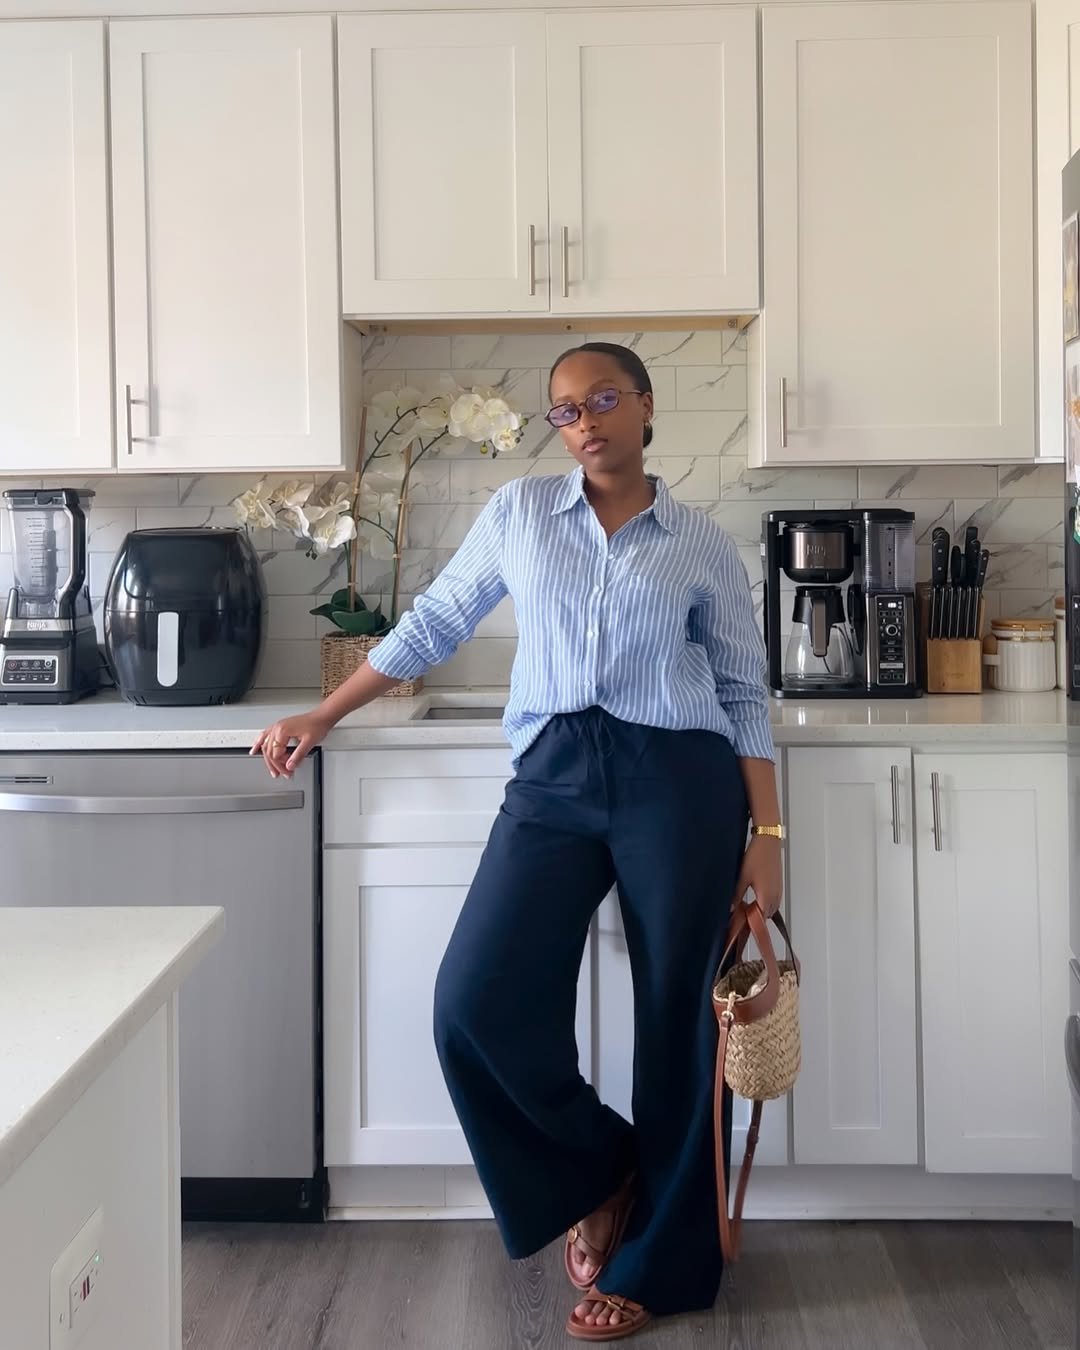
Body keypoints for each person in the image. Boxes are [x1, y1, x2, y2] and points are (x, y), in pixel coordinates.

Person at [252, 342, 783, 1342]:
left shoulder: (702, 543)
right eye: (565, 410)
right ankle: (604, 1167)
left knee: (678, 1024)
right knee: (473, 1001)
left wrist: (770, 832)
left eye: (604, 399)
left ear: (646, 406)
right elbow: (437, 621)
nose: (585, 420)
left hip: (681, 782)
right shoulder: (520, 515)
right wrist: (323, 714)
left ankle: (663, 1266)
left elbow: (746, 694)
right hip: (554, 778)